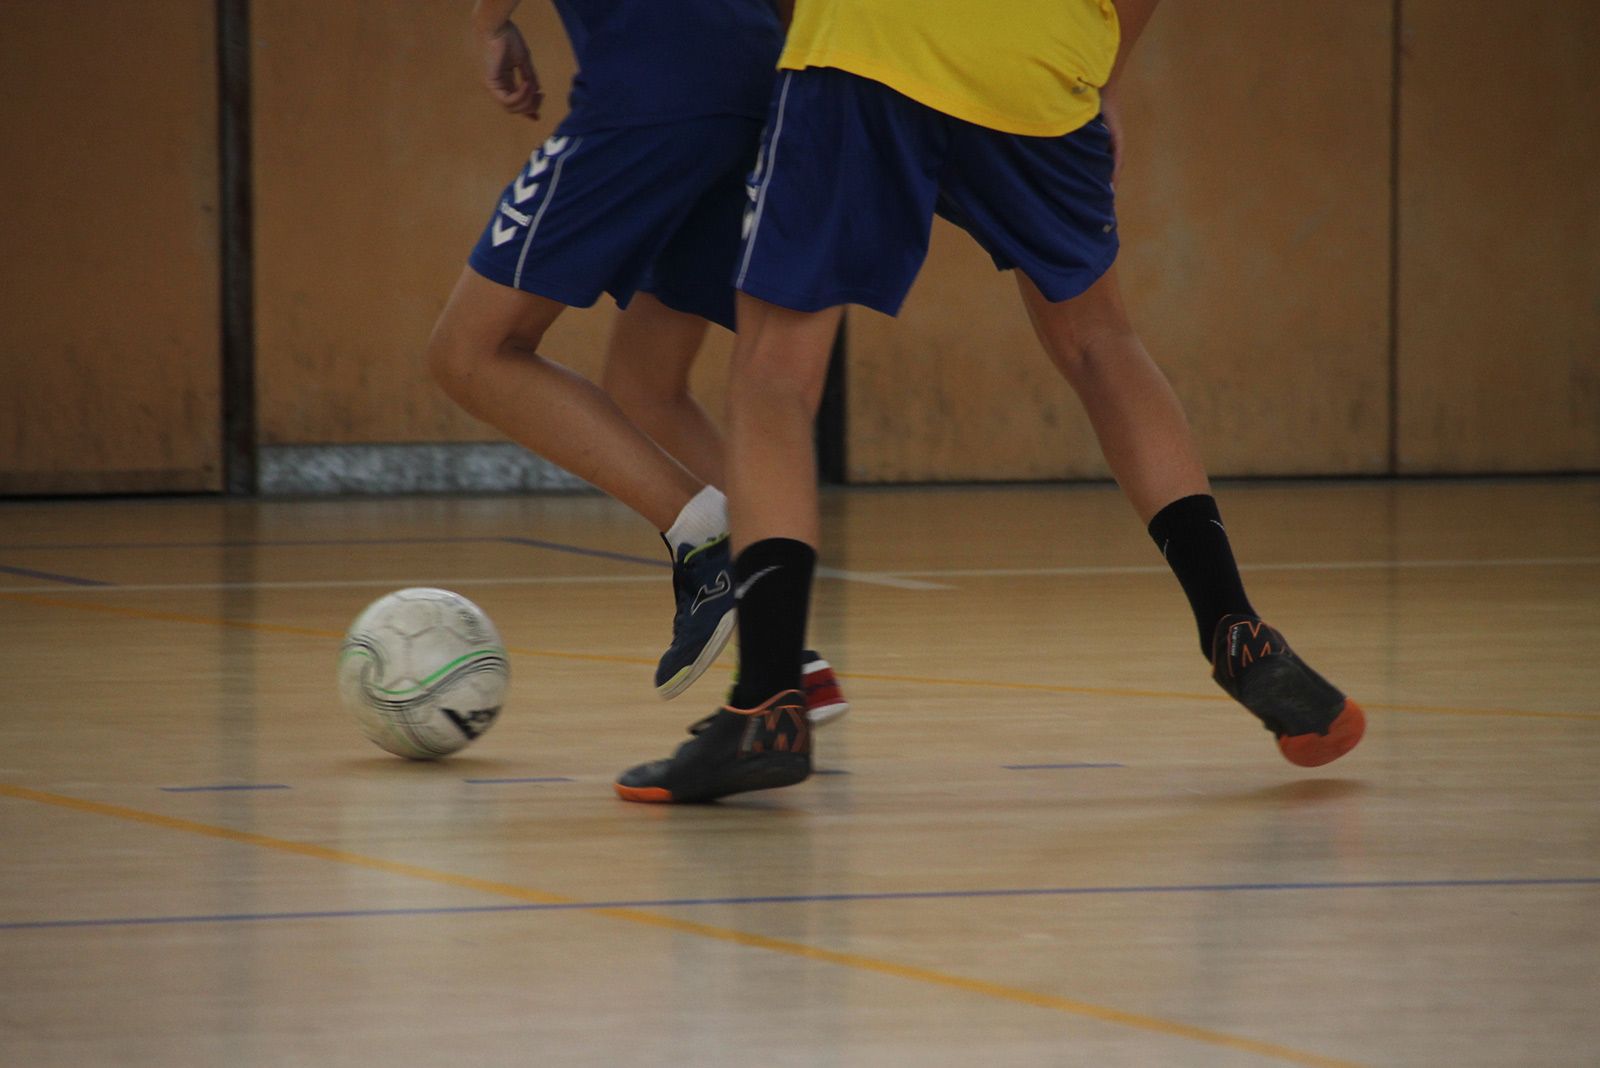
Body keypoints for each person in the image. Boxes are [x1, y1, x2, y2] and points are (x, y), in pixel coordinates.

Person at [614, 0, 1365, 803]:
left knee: (774, 373)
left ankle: (768, 703)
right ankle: (1238, 631)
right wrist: (1102, 78)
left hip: (870, 50)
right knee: (1101, 344)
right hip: (1041, 59)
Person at [427, 0, 847, 724]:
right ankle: (783, 656)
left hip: (652, 86)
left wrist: (491, 25)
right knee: (646, 386)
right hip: (760, 84)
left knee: (471, 353)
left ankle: (705, 540)